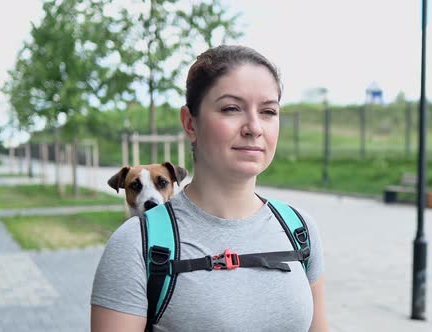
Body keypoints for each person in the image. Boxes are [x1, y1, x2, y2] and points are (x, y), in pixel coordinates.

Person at [90, 45, 328, 332]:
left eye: (268, 111)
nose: (254, 127)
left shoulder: (300, 231)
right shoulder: (136, 244)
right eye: (231, 108)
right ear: (190, 123)